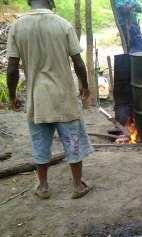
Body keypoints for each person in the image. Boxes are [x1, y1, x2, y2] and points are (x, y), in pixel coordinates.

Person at [7, 0, 94, 199]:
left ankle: (43, 187)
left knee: (40, 143)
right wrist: (85, 85)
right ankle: (77, 186)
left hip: (37, 99)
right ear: (50, 1)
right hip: (63, 96)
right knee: (72, 140)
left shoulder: (18, 27)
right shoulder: (63, 24)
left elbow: (12, 68)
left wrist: (13, 95)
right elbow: (78, 62)